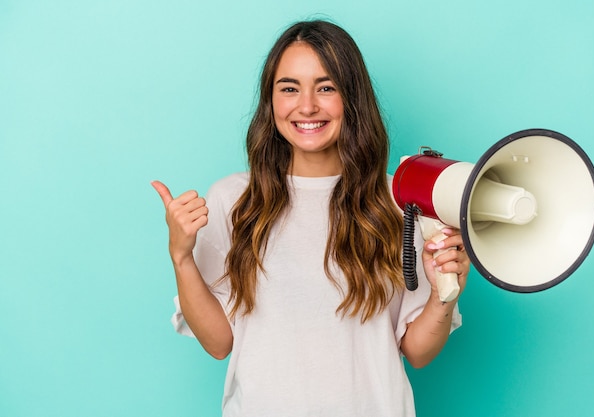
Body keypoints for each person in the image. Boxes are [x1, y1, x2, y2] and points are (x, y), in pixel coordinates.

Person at [152, 19, 470, 417]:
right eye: (289, 88)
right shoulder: (233, 199)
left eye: (326, 87)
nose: (306, 106)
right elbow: (218, 343)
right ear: (271, 101)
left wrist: (446, 294)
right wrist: (180, 256)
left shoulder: (399, 200)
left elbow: (418, 352)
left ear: (351, 98)